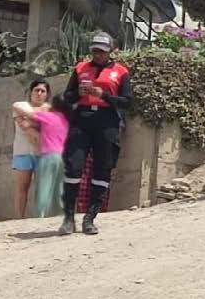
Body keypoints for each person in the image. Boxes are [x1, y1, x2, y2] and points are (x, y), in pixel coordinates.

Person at [60, 32, 132, 235]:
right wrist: (78, 94)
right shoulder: (81, 68)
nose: (98, 54)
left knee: (103, 169)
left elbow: (127, 102)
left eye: (102, 51)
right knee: (73, 167)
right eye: (95, 50)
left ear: (110, 51)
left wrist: (104, 96)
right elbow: (67, 96)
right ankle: (68, 218)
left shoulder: (121, 72)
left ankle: (90, 218)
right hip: (81, 120)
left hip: (107, 121)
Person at [13, 92, 72, 219]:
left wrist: (34, 110)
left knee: (43, 187)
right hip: (62, 157)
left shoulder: (48, 116)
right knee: (59, 188)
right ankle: (61, 215)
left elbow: (26, 114)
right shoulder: (66, 120)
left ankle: (40, 215)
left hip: (48, 156)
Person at [12, 80, 49, 218]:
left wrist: (31, 121)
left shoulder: (49, 108)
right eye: (36, 90)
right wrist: (40, 122)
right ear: (31, 91)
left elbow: (46, 127)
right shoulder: (20, 105)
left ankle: (41, 218)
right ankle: (18, 218)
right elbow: (24, 126)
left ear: (47, 94)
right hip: (23, 152)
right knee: (22, 187)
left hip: (43, 154)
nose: (39, 93)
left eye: (42, 91)